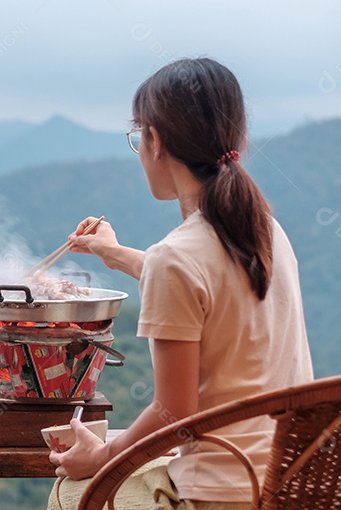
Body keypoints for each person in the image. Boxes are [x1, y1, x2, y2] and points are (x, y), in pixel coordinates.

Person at [47, 58, 313, 510]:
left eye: (139, 137)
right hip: (290, 479)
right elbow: (198, 281)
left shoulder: (179, 256)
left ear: (156, 141)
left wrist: (102, 456)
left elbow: (175, 412)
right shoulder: (263, 229)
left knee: (70, 492)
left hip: (221, 493)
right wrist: (113, 253)